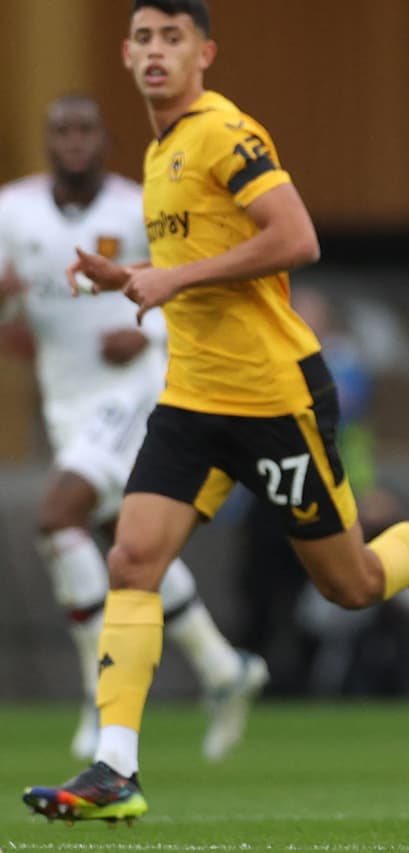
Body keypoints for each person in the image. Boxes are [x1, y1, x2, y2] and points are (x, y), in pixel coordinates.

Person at [21, 0, 409, 826]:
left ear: (205, 50)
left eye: (174, 37)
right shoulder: (163, 148)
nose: (157, 51)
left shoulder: (223, 132)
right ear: (127, 56)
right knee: (132, 558)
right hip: (193, 397)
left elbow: (296, 237)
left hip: (274, 396)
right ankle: (115, 768)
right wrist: (129, 272)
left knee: (354, 582)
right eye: (144, 38)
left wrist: (169, 282)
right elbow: (205, 259)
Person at [0, 94, 268, 765]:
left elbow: (199, 286)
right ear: (47, 140)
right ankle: (221, 667)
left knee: (58, 516)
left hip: (137, 387)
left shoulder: (139, 204)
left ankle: (100, 694)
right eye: (60, 129)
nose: (73, 140)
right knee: (125, 549)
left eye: (85, 128)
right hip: (67, 403)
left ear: (105, 139)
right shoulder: (14, 211)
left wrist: (151, 332)